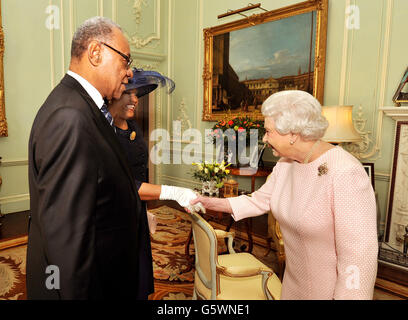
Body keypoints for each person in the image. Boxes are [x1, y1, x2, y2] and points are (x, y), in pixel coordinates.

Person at [27, 17, 200, 300]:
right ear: (95, 52)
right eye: (126, 61)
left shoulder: (84, 109)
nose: (130, 73)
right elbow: (66, 240)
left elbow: (101, 187)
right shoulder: (71, 117)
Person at [191, 90, 379, 300]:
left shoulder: (345, 172)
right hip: (293, 283)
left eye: (268, 131)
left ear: (293, 134)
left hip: (330, 292)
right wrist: (211, 202)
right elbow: (259, 201)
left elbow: (359, 256)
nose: (264, 138)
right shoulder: (286, 164)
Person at [107, 68, 204, 299]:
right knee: (119, 278)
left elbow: (139, 174)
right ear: (111, 94)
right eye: (128, 93)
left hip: (135, 213)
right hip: (114, 219)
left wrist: (143, 209)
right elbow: (123, 184)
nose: (134, 99)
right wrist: (173, 191)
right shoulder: (103, 134)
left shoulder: (133, 128)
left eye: (137, 94)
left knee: (138, 277)